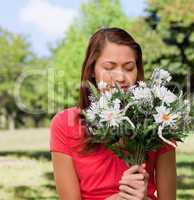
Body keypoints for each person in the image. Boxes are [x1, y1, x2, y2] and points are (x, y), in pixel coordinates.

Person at [50, 27, 177, 200]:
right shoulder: (64, 124)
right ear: (92, 71)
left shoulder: (158, 123)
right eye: (109, 67)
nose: (120, 77)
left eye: (129, 68)